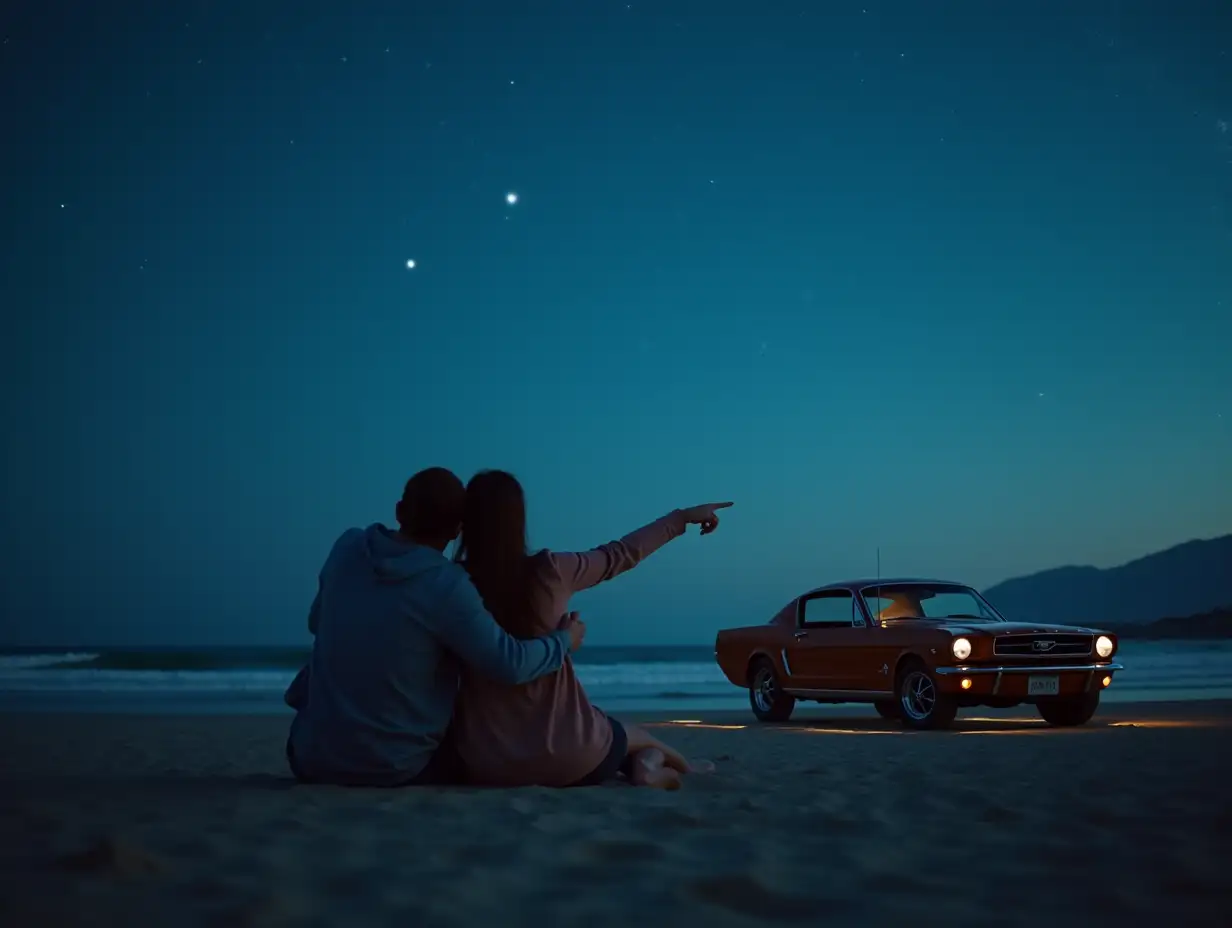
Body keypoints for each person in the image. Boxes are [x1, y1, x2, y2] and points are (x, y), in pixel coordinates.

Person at [284, 467, 586, 787]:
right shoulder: (445, 585)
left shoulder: (346, 547)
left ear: (399, 511)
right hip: (394, 766)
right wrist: (564, 640)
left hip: (308, 758)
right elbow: (509, 663)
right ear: (457, 530)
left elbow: (316, 621)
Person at [451, 469, 731, 789]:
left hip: (486, 762)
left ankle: (649, 765)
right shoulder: (551, 570)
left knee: (617, 737)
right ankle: (682, 767)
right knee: (633, 736)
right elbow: (620, 554)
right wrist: (682, 518)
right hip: (570, 755)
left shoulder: (451, 586)